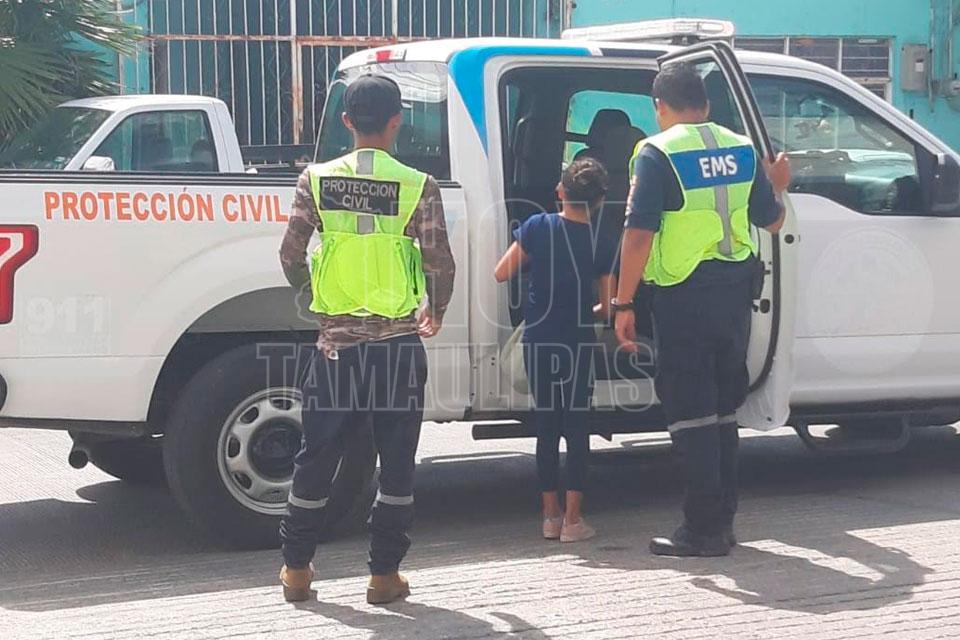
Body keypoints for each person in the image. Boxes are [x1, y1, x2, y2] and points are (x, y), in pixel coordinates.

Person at [277, 74, 455, 603]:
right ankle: (383, 576)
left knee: (316, 456)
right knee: (396, 461)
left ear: (346, 121)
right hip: (397, 346)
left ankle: (297, 570)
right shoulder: (418, 185)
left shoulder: (315, 180)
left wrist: (317, 298)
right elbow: (439, 261)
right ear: (397, 121)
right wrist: (437, 307)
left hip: (336, 347)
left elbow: (290, 254)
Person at [612, 64, 791, 557]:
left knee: (691, 413)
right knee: (721, 411)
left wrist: (623, 302)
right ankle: (722, 522)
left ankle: (702, 530)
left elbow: (639, 233)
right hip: (734, 296)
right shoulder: (742, 148)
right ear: (707, 104)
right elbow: (773, 222)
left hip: (684, 296)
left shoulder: (657, 152)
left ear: (659, 107)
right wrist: (777, 184)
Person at [494, 158, 618, 543]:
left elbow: (501, 272)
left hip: (539, 339)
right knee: (576, 428)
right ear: (599, 201)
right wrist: (586, 308)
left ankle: (550, 517)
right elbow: (608, 308)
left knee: (546, 427)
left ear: (560, 191)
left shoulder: (537, 226)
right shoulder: (602, 240)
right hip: (577, 341)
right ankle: (574, 521)